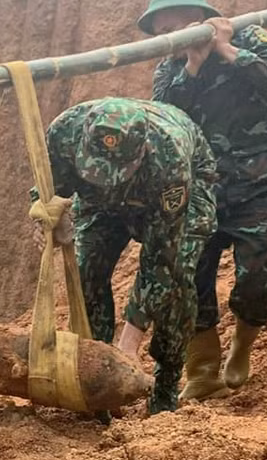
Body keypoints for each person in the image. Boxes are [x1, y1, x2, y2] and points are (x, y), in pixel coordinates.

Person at [139, 0, 267, 401]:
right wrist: (192, 62)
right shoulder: (168, 70)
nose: (165, 38)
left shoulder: (249, 36)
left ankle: (241, 347)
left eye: (172, 27)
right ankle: (203, 370)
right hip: (199, 192)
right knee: (190, 279)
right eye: (159, 33)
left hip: (255, 183)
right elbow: (163, 117)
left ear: (196, 17)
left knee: (260, 277)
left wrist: (225, 50)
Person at [38, 97, 217, 414]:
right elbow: (47, 185)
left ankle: (165, 388)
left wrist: (129, 344)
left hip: (177, 188)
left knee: (176, 280)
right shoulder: (64, 130)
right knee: (85, 269)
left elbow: (160, 261)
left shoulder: (168, 160)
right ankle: (96, 374)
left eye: (115, 172)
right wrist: (49, 216)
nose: (108, 178)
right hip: (98, 202)